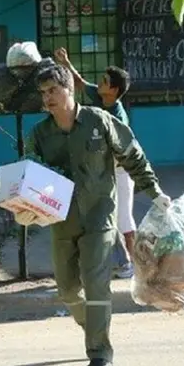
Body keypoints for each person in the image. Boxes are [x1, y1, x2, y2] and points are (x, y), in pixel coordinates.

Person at [18, 61, 171, 366]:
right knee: (68, 290)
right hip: (62, 222)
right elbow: (28, 174)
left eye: (53, 90)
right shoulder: (39, 135)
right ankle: (94, 325)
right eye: (43, 92)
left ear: (69, 88)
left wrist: (155, 194)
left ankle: (100, 352)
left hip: (100, 217)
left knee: (96, 285)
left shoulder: (99, 121)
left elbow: (133, 156)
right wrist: (24, 205)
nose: (48, 98)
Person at [53, 47, 136, 279]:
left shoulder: (118, 116)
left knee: (124, 220)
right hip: (103, 172)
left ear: (114, 90)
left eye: (104, 81)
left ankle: (134, 265)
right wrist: (66, 61)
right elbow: (79, 83)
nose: (99, 83)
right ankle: (117, 263)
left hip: (119, 172)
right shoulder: (100, 98)